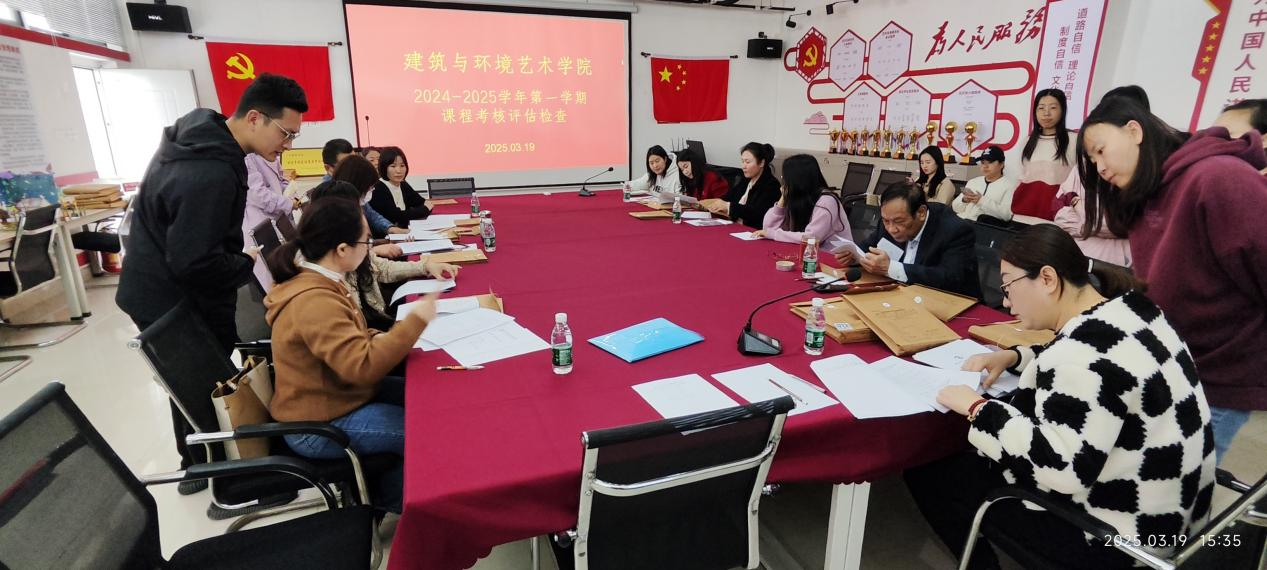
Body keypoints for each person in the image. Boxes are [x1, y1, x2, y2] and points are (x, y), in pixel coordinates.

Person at [907, 224, 1215, 570]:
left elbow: (1060, 468)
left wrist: (978, 408)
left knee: (931, 474)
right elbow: (1104, 363)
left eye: (1008, 285)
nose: (1006, 302)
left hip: (1118, 541)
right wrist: (1015, 356)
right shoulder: (1136, 311)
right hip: (1180, 520)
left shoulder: (1078, 356)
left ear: (1048, 279)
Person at [116, 73, 307, 486]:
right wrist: (243, 263)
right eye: (285, 133)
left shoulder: (205, 137)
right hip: (172, 295)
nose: (287, 145)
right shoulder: (209, 171)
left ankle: (202, 466)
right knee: (202, 382)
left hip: (161, 284)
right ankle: (223, 479)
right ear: (254, 117)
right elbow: (194, 263)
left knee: (197, 379)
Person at [1078, 98, 1267, 461]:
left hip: (1218, 376)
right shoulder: (1148, 193)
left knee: (1178, 484)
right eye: (1093, 160)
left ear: (1134, 131)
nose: (1100, 167)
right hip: (1170, 367)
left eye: (1100, 151)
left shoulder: (1218, 177)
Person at [264, 197, 438, 513]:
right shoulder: (315, 300)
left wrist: (382, 337)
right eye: (365, 242)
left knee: (429, 398)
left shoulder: (321, 278)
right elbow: (363, 366)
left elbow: (352, 335)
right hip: (318, 424)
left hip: (340, 395)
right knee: (424, 431)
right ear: (342, 249)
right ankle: (397, 506)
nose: (369, 248)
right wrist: (413, 324)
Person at [308, 181, 460, 331]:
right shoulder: (323, 284)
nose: (361, 213)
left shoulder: (348, 246)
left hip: (377, 320)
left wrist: (424, 266)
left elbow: (382, 268)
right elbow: (354, 339)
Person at [1051, 86, 1150, 268]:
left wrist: (1078, 207)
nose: (1101, 168)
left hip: (1121, 266)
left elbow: (1125, 223)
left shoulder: (1150, 172)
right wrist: (1091, 221)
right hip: (1078, 257)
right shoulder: (1087, 164)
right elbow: (1058, 209)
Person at [833, 181, 979, 297]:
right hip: (899, 295)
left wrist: (890, 268)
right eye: (886, 221)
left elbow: (950, 278)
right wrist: (854, 257)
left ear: (921, 213)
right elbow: (867, 248)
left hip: (946, 303)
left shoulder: (955, 230)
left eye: (899, 221)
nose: (891, 229)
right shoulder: (889, 219)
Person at [1011, 88, 1077, 223]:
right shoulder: (1027, 141)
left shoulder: (1073, 140)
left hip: (1055, 218)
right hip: (1023, 215)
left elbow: (1080, 181)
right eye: (1041, 108)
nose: (1046, 113)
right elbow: (1021, 176)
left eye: (1053, 107)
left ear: (1063, 110)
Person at [754, 154, 852, 245]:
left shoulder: (826, 201)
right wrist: (782, 200)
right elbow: (767, 229)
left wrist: (774, 234)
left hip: (832, 255)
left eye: (785, 177)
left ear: (797, 180)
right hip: (807, 252)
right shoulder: (798, 197)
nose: (783, 181)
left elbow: (812, 238)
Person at [322, 153, 409, 239]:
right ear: (358, 185)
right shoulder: (336, 210)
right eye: (369, 187)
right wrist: (376, 247)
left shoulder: (357, 200)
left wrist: (390, 229)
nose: (372, 190)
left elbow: (372, 215)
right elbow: (351, 244)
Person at [700, 142, 780, 229]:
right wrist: (714, 204)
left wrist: (728, 206)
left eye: (747, 162)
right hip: (734, 226)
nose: (743, 166)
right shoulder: (746, 180)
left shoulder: (771, 185)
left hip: (752, 231)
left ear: (761, 163)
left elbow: (758, 214)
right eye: (742, 161)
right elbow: (729, 197)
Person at [951, 145, 1017, 223]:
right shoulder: (973, 182)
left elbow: (1007, 215)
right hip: (961, 221)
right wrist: (964, 200)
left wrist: (982, 201)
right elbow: (955, 208)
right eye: (982, 163)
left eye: (990, 162)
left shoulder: (1010, 186)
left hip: (982, 226)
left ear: (1002, 164)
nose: (985, 166)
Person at [370, 146, 432, 226]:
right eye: (393, 166)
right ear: (383, 167)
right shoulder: (377, 189)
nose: (398, 171)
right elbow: (396, 216)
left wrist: (417, 211)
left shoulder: (403, 185)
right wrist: (425, 210)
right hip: (386, 233)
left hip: (406, 230)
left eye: (402, 166)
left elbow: (423, 202)